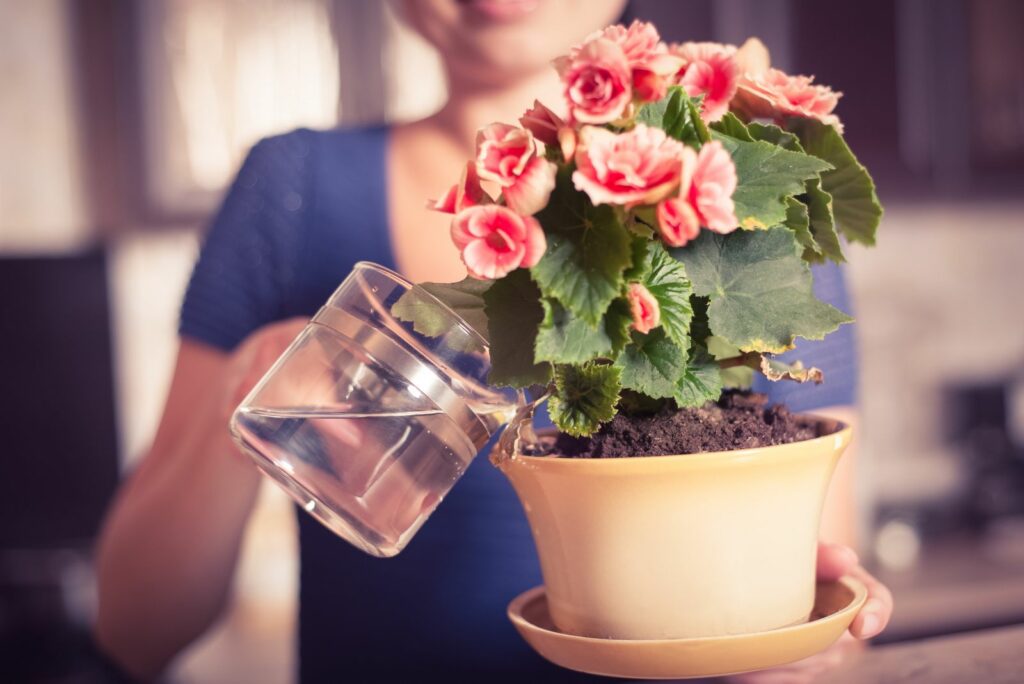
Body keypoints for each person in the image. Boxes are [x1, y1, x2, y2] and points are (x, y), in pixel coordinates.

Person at [93, 1, 892, 681]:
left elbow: (827, 614)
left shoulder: (738, 206)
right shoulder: (291, 191)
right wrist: (245, 401)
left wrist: (810, 646)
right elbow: (134, 631)